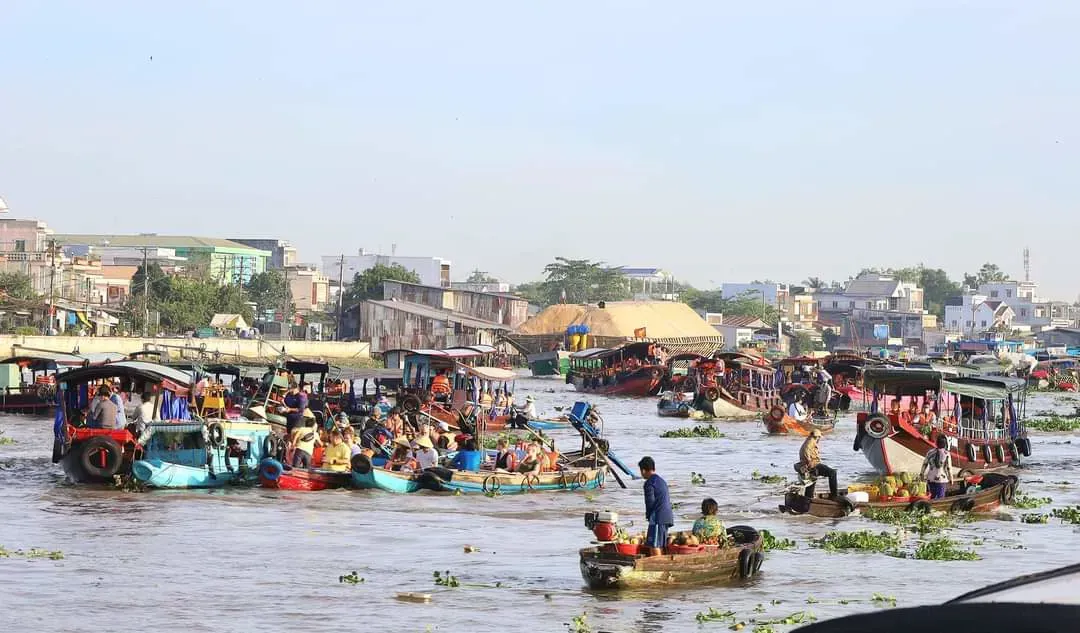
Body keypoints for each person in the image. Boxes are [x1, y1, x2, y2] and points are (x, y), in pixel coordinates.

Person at [639, 456, 674, 554]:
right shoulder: (661, 481)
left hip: (658, 517)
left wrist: (648, 516)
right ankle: (662, 564)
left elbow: (649, 502)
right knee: (660, 544)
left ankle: (658, 566)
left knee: (654, 545)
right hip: (667, 516)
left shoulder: (649, 483)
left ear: (643, 470)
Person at [798, 429, 838, 497]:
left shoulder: (808, 441)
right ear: (817, 437)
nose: (819, 439)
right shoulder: (810, 442)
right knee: (832, 473)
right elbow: (805, 452)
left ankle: (808, 499)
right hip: (813, 465)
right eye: (819, 437)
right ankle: (834, 495)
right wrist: (809, 462)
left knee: (811, 482)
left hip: (808, 466)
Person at [921, 435, 954, 499]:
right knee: (940, 498)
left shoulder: (930, 452)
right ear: (945, 444)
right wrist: (951, 478)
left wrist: (921, 474)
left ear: (936, 443)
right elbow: (949, 468)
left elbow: (925, 464)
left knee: (932, 497)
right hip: (941, 479)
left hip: (930, 478)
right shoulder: (946, 454)